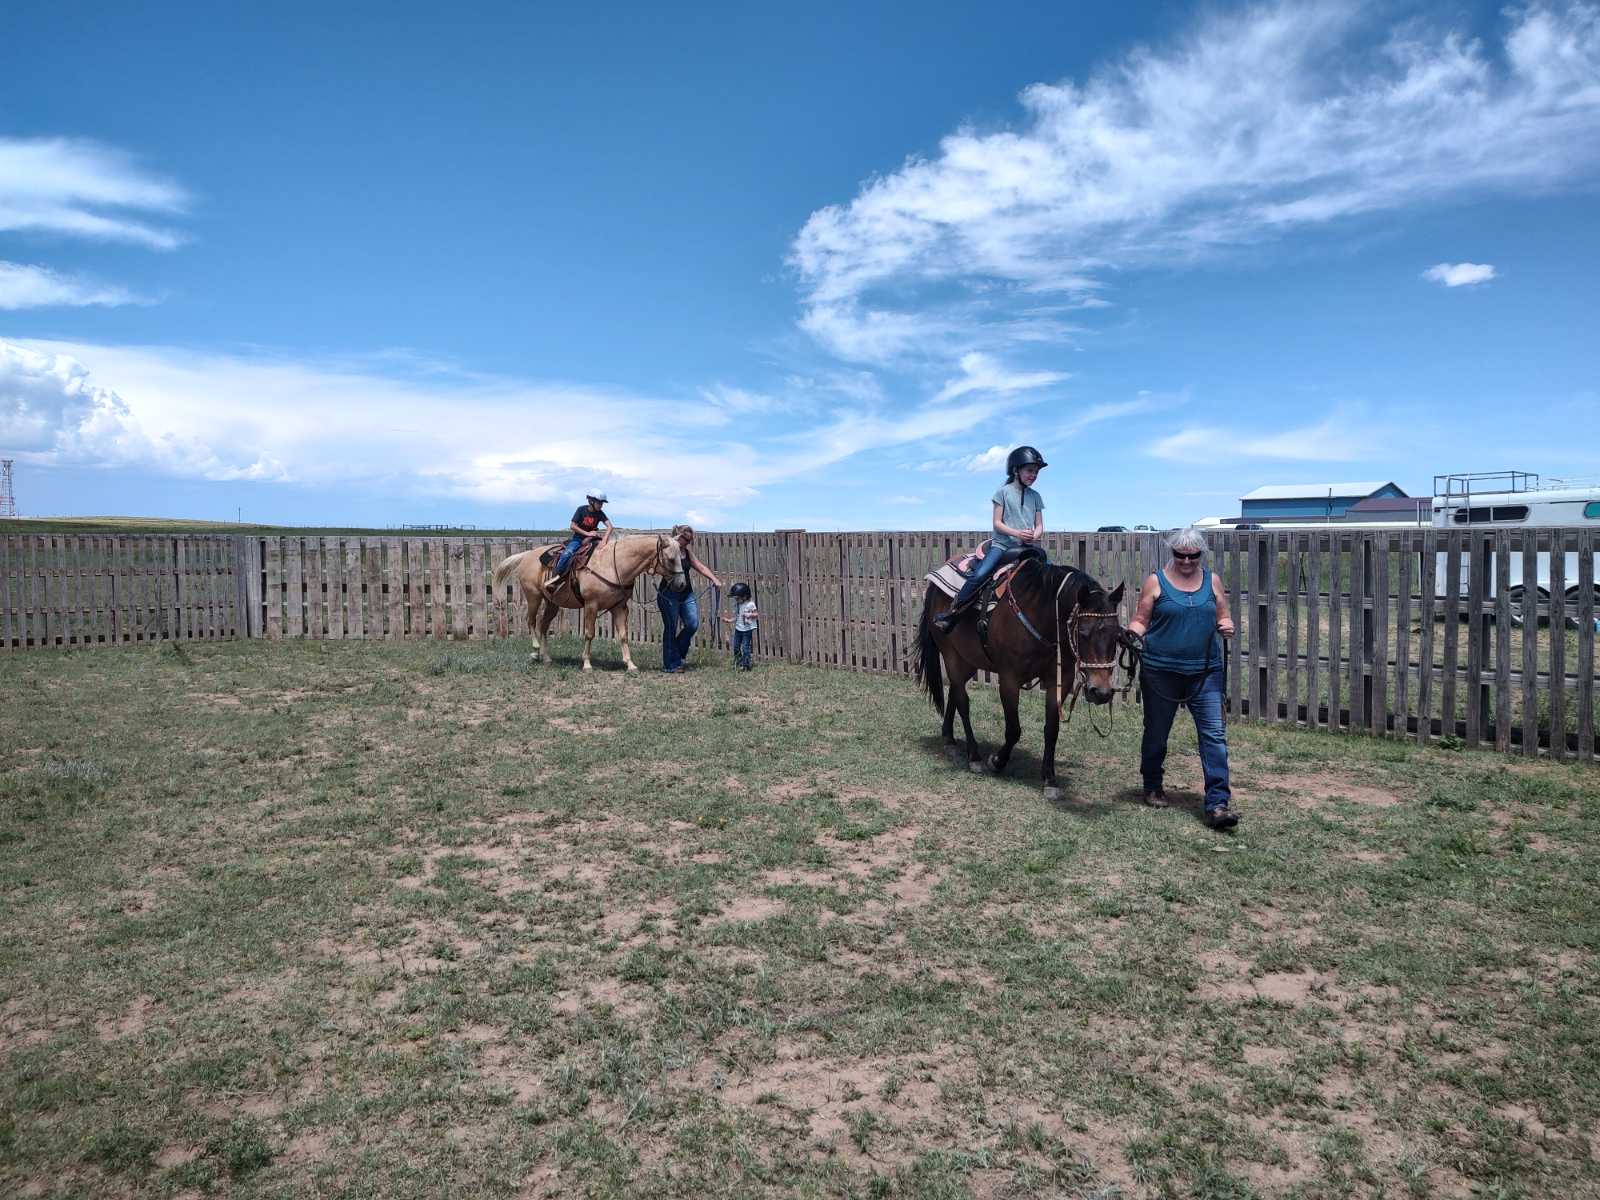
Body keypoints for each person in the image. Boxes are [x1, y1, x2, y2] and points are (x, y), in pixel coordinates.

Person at [1122, 527, 1238, 829]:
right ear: (1172, 553)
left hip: (1206, 672)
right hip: (1160, 671)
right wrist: (1132, 633)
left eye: (1193, 556)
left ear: (1201, 554)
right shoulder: (1155, 581)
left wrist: (1226, 624)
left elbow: (1222, 614)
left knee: (1214, 736)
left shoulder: (1212, 581)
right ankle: (1152, 784)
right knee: (1157, 732)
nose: (1186, 561)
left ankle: (1217, 803)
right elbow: (1141, 618)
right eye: (1180, 555)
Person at [933, 445, 1047, 633]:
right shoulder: (1003, 493)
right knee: (980, 574)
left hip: (1027, 547)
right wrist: (1017, 533)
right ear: (1016, 470)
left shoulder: (1036, 497)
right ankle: (953, 613)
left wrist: (1034, 535)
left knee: (1048, 573)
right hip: (1002, 546)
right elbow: (997, 523)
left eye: (1036, 472)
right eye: (1029, 471)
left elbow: (1040, 525)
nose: (1033, 475)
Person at [658, 524, 724, 673]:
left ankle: (677, 655)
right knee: (671, 628)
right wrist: (672, 541)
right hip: (669, 594)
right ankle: (671, 665)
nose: (688, 542)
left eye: (690, 540)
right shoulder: (666, 551)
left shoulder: (687, 553)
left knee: (692, 624)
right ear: (678, 537)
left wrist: (714, 579)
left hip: (686, 593)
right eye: (686, 539)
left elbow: (700, 567)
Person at [549, 491, 611, 587]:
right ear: (591, 501)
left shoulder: (600, 513)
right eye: (599, 503)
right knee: (567, 554)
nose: (601, 505)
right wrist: (587, 533)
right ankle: (555, 579)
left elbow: (610, 527)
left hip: (592, 539)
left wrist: (604, 540)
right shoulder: (581, 510)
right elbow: (572, 526)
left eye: (602, 503)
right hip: (578, 539)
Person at [721, 582, 758, 670]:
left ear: (744, 597)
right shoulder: (738, 605)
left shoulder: (750, 604)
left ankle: (746, 664)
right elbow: (737, 616)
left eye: (737, 598)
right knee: (736, 646)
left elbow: (756, 614)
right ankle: (738, 661)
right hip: (738, 629)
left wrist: (750, 615)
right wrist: (729, 620)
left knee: (745, 647)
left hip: (747, 630)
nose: (736, 600)